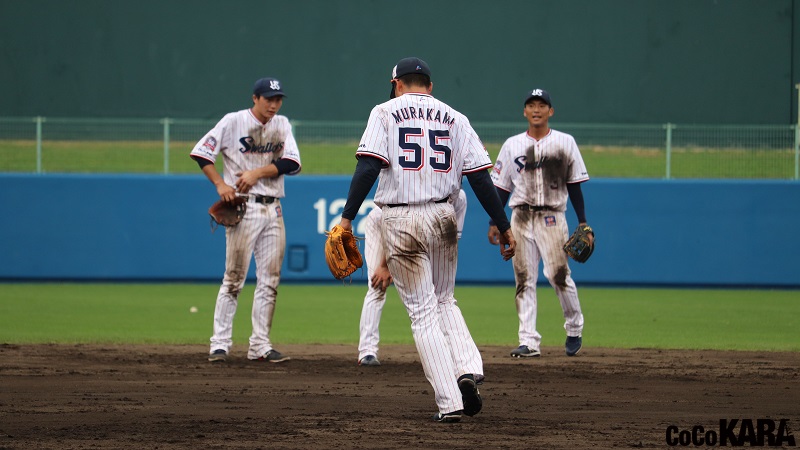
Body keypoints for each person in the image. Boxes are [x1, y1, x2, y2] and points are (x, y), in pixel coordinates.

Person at [337, 57, 516, 423]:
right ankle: (468, 366)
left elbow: (369, 166)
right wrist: (504, 224)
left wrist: (346, 217)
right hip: (443, 214)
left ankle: (449, 402)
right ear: (429, 85)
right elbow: (481, 178)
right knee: (444, 298)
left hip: (400, 216)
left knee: (421, 314)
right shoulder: (456, 116)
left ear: (397, 83)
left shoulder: (384, 112)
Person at [190, 77, 301, 364]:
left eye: (278, 99)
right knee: (234, 278)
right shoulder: (232, 122)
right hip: (243, 208)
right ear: (255, 98)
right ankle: (220, 344)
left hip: (273, 208)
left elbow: (292, 163)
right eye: (269, 99)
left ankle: (260, 345)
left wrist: (256, 173)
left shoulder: (282, 124)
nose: (274, 105)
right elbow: (202, 153)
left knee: (270, 280)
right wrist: (220, 185)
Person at [488, 88, 593, 358]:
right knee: (524, 278)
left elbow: (576, 185)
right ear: (524, 111)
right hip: (520, 217)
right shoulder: (512, 145)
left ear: (550, 111)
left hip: (552, 217)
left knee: (558, 276)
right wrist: (495, 222)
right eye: (531, 105)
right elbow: (501, 188)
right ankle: (528, 340)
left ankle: (574, 327)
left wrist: (582, 222)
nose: (536, 109)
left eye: (542, 105)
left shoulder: (565, 142)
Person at [357, 189, 468, 367]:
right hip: (386, 221)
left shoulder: (459, 198)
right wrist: (386, 265)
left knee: (438, 293)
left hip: (420, 228)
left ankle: (443, 350)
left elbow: (449, 242)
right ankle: (367, 351)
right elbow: (396, 221)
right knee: (378, 285)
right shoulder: (427, 186)